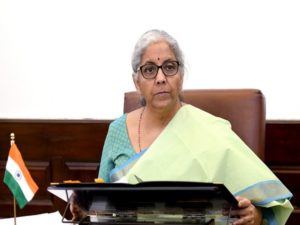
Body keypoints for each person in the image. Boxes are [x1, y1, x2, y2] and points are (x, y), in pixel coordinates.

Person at [73, 29, 293, 225]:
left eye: (169, 67)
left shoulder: (209, 131)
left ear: (181, 75)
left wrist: (255, 216)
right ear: (136, 82)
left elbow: (264, 209)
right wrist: (82, 210)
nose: (160, 78)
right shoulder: (117, 131)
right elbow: (97, 203)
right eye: (149, 70)